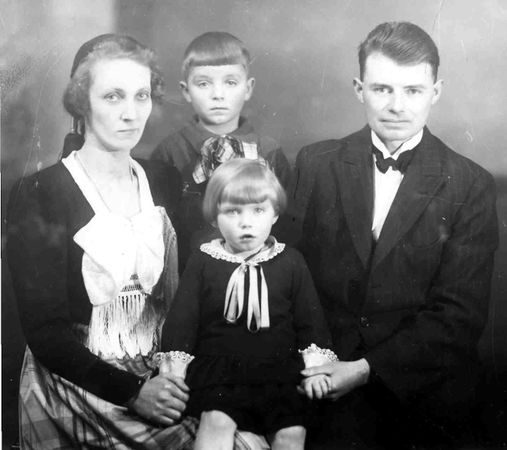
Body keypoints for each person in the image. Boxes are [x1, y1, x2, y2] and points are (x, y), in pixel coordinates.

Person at [289, 22, 499, 448]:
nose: (397, 106)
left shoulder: (470, 183)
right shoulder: (315, 163)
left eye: (413, 91)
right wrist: (319, 365)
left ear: (435, 92)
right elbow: (287, 281)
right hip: (321, 377)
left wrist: (364, 369)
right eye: (382, 89)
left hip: (422, 392)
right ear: (358, 89)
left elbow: (459, 316)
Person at [6, 34, 198, 449]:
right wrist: (132, 392)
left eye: (141, 96)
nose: (131, 113)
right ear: (82, 103)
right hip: (79, 385)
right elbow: (45, 332)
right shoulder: (41, 192)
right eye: (113, 96)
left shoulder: (164, 179)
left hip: (162, 374)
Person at [157, 159, 337, 450]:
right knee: (216, 421)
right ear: (214, 218)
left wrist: (317, 369)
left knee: (291, 432)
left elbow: (310, 321)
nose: (246, 222)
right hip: (221, 372)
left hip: (279, 372)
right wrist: (174, 370)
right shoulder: (203, 260)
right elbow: (182, 320)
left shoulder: (291, 261)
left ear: (275, 214)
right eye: (232, 211)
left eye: (258, 210)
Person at [151, 31, 291, 269]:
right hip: (192, 270)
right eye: (204, 84)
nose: (218, 95)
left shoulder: (268, 150)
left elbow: (285, 224)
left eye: (230, 82)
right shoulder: (170, 151)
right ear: (186, 91)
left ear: (248, 88)